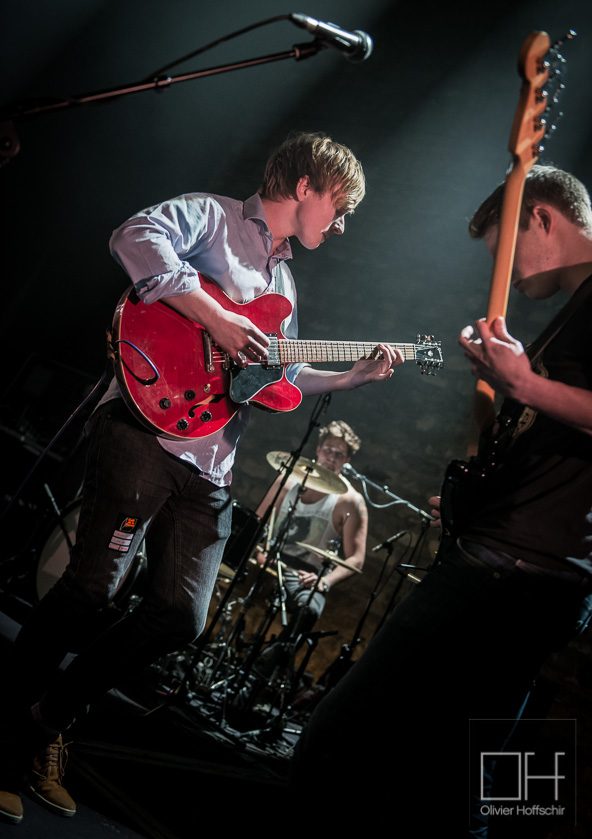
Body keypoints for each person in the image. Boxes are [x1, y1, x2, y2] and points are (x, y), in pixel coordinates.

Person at [0, 132, 403, 824]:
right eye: (340, 207)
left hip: (212, 463)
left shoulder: (284, 283)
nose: (341, 225)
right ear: (306, 185)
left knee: (180, 616)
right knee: (92, 588)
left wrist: (351, 378)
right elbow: (134, 235)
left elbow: (276, 374)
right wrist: (215, 316)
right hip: (146, 429)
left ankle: (45, 721)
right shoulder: (213, 217)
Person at [290, 164, 592, 834]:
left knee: (340, 743)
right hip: (514, 566)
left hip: (513, 577)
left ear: (541, 218)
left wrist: (525, 384)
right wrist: (477, 491)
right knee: (446, 786)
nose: (506, 276)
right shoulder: (574, 312)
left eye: (504, 253)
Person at [251, 420, 367, 683]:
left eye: (339, 454)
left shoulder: (350, 501)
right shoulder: (288, 479)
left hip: (305, 574)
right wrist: (259, 551)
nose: (332, 458)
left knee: (309, 609)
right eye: (328, 450)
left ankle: (265, 667)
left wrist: (324, 581)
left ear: (347, 460)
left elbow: (357, 559)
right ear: (317, 449)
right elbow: (258, 519)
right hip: (269, 559)